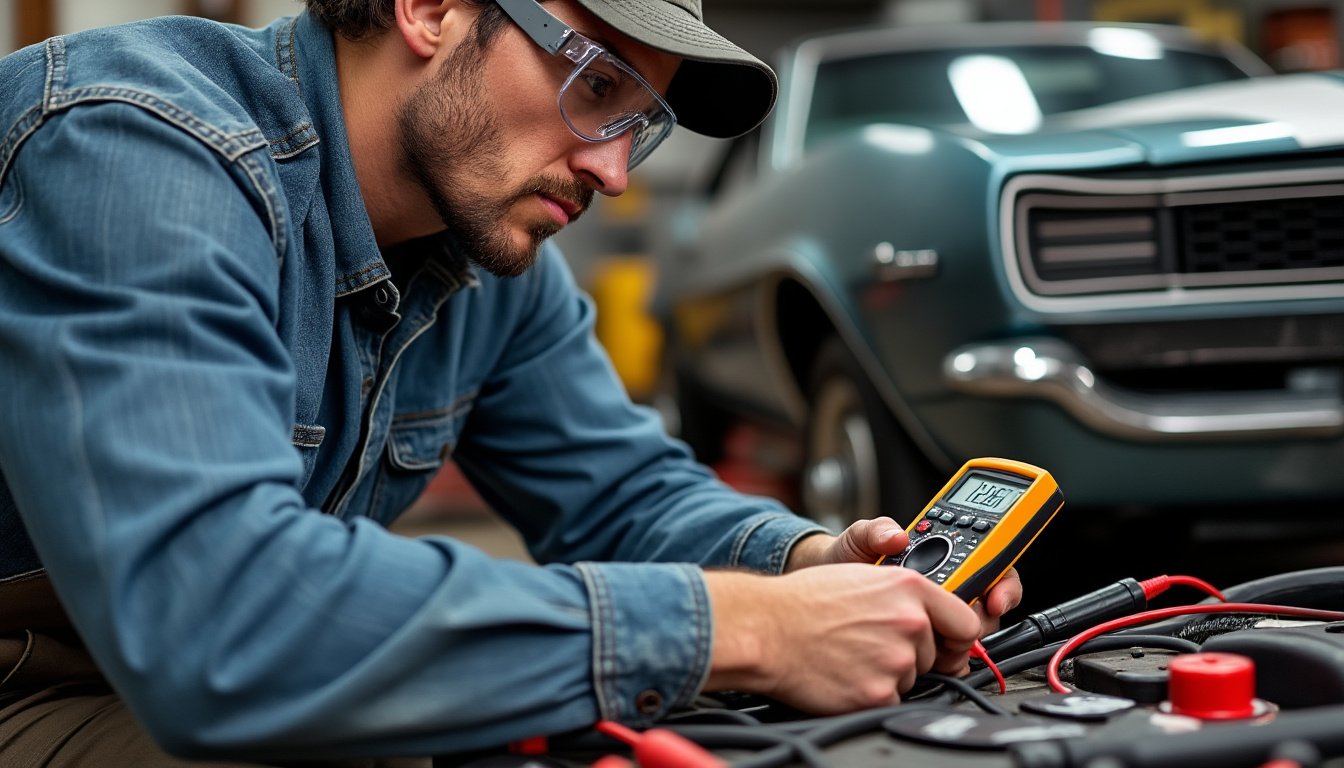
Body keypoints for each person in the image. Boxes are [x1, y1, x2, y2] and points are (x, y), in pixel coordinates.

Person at [0, 0, 1023, 765]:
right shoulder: (133, 150)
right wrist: (747, 628)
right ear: (431, 9)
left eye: (643, 120)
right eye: (599, 87)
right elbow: (219, 621)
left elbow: (621, 493)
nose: (615, 170)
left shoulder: (488, 253)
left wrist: (806, 567)